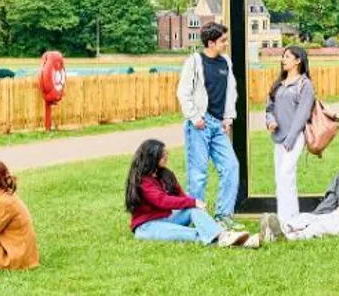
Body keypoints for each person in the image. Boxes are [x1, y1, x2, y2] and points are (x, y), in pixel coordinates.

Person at [125, 139, 258, 248]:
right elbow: (162, 200)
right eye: (163, 153)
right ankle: (244, 242)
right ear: (152, 157)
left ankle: (224, 235)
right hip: (148, 227)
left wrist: (193, 204)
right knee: (193, 234)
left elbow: (181, 198)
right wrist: (193, 201)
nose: (166, 156)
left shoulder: (164, 174)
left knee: (193, 210)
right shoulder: (142, 181)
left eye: (166, 152)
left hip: (167, 218)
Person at [176, 22, 243, 231]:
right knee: (198, 174)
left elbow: (230, 92)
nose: (226, 43)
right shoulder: (194, 62)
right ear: (211, 42)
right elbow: (183, 92)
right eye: (223, 40)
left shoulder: (226, 62)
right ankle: (198, 218)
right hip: (200, 124)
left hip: (218, 125)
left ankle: (223, 215)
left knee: (231, 166)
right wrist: (195, 117)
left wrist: (228, 118)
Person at [260, 140, 339, 242]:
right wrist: (319, 214)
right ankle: (278, 230)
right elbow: (332, 199)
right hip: (337, 213)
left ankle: (287, 238)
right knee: (307, 218)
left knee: (319, 226)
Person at [264, 46, 316, 226]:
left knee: (286, 175)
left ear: (298, 60)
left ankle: (290, 219)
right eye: (282, 56)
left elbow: (302, 114)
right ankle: (285, 217)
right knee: (281, 178)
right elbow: (269, 108)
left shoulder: (305, 84)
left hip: (294, 139)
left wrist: (291, 138)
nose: (283, 60)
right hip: (278, 138)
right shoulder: (279, 83)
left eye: (287, 56)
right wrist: (270, 121)